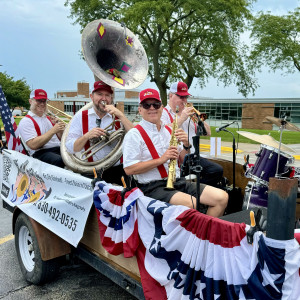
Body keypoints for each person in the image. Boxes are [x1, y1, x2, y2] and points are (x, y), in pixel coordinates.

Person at [123, 88, 228, 217]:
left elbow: (182, 158)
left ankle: (202, 234)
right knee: (192, 204)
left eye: (155, 104)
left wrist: (186, 145)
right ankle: (193, 234)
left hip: (177, 181)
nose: (152, 108)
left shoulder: (169, 129)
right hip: (152, 186)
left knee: (221, 198)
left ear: (161, 107)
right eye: (146, 105)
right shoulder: (134, 134)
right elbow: (129, 169)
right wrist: (161, 160)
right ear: (140, 109)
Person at [66, 80, 134, 185]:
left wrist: (121, 115)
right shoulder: (80, 116)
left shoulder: (117, 116)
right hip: (91, 170)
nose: (104, 98)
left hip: (117, 169)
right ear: (91, 97)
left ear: (111, 99)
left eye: (107, 95)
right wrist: (86, 136)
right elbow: (71, 148)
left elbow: (136, 137)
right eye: (99, 94)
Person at [161, 81, 223, 187]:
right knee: (215, 170)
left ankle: (197, 192)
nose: (184, 100)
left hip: (193, 155)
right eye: (181, 97)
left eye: (186, 97)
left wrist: (199, 118)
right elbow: (163, 131)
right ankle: (196, 192)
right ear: (170, 96)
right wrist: (182, 118)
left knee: (218, 172)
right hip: (177, 158)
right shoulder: (164, 113)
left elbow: (208, 133)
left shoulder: (189, 114)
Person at [18, 89, 65, 167]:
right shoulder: (26, 121)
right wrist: (53, 130)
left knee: (77, 155)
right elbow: (33, 145)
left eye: (44, 101)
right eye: (39, 101)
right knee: (60, 160)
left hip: (58, 148)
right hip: (40, 153)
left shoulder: (49, 118)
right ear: (30, 101)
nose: (42, 104)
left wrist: (60, 129)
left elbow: (61, 138)